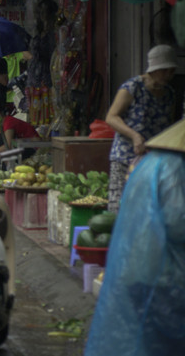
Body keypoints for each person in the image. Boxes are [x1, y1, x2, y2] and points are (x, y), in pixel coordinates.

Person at [84, 118, 185, 356]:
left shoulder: (150, 162)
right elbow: (177, 223)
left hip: (137, 266)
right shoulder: (175, 169)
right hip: (161, 274)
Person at [104, 44, 177, 212]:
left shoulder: (169, 94)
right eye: (165, 70)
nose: (169, 75)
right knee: (120, 208)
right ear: (154, 69)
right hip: (126, 157)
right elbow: (111, 117)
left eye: (171, 71)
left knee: (147, 209)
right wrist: (134, 136)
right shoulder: (132, 87)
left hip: (153, 161)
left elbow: (169, 126)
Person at [23, 0, 58, 126]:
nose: (41, 15)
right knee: (36, 115)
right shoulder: (38, 32)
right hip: (34, 79)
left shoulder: (52, 34)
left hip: (46, 79)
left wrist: (32, 56)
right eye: (40, 12)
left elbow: (50, 55)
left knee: (46, 116)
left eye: (44, 12)